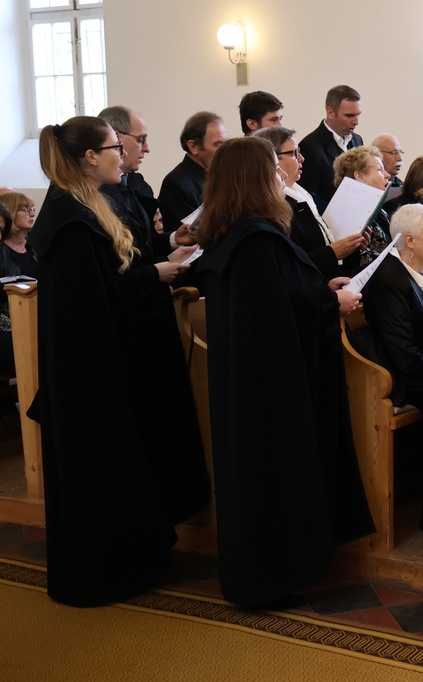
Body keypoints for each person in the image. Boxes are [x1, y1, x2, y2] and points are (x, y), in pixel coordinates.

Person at [29, 115, 209, 607]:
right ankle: (106, 573)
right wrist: (153, 276)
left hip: (108, 365)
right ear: (90, 157)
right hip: (89, 376)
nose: (123, 154)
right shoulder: (70, 222)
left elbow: (110, 280)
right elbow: (94, 303)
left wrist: (154, 268)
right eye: (115, 147)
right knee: (102, 474)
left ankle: (135, 563)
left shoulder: (87, 205)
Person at [196, 136, 374, 607]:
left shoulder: (238, 235)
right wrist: (332, 302)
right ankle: (267, 580)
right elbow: (280, 314)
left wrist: (321, 289)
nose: (281, 176)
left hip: (252, 384)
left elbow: (282, 297)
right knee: (270, 476)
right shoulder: (256, 241)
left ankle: (268, 576)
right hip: (270, 390)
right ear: (255, 179)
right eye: (273, 169)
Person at [361, 204, 423, 534]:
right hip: (409, 378)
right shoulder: (389, 279)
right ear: (410, 240)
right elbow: (405, 356)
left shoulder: (418, 273)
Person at [252, 126, 367, 281]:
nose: (301, 158)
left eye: (299, 152)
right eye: (293, 154)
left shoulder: (304, 195)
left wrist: (352, 244)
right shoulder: (277, 206)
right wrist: (332, 253)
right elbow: (291, 265)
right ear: (271, 160)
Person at [98, 105, 192, 259]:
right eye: (140, 140)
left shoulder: (138, 183)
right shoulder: (96, 193)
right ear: (116, 138)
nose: (147, 148)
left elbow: (144, 243)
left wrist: (173, 239)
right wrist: (160, 268)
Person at [159, 111, 227, 230]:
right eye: (218, 144)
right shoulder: (176, 183)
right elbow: (187, 233)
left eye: (226, 144)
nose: (225, 151)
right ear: (193, 147)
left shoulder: (222, 177)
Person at [333, 145, 392, 277]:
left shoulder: (378, 210)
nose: (387, 175)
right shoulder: (347, 215)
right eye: (379, 170)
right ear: (359, 176)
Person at [298, 85, 363, 203]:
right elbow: (310, 198)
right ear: (330, 112)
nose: (356, 121)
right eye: (349, 116)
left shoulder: (357, 140)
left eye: (358, 114)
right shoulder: (310, 147)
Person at [0, 194, 40, 376]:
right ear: (10, 213)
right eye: (25, 209)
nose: (32, 213)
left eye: (32, 209)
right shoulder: (2, 250)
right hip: (12, 317)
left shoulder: (37, 246)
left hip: (40, 313)